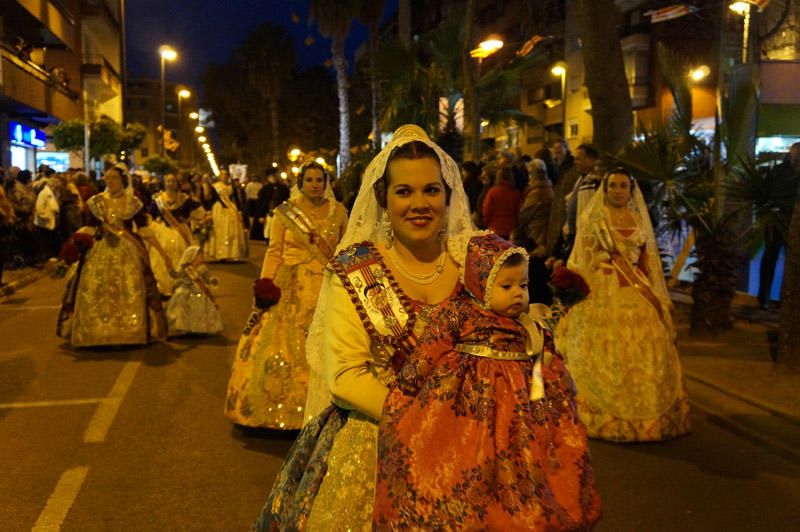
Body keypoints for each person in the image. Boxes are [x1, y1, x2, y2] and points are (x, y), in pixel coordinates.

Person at [252, 125, 475, 531]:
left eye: (431, 190)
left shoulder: (475, 266)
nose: (419, 203)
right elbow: (346, 376)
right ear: (383, 200)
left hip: (470, 443)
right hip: (379, 443)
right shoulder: (355, 269)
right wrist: (428, 423)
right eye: (404, 192)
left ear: (449, 195)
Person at [374, 232, 602, 529]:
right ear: (479, 283)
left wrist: (548, 375)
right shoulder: (460, 313)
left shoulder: (529, 323)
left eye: (522, 285)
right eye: (506, 286)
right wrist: (406, 388)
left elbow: (545, 355)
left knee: (521, 468)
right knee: (467, 466)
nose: (518, 294)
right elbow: (430, 349)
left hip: (521, 415)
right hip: (467, 412)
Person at [556, 168, 691, 441]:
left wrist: (660, 297)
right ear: (605, 189)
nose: (618, 190)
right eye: (613, 186)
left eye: (623, 186)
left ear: (631, 189)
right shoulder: (594, 217)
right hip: (603, 288)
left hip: (636, 289)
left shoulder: (639, 218)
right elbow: (581, 257)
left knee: (644, 346)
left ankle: (647, 413)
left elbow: (647, 259)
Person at [225, 161, 348, 430]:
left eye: (319, 180)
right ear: (300, 183)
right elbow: (274, 251)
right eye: (310, 180)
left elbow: (344, 247)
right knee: (281, 343)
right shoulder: (285, 213)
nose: (315, 184)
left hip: (327, 287)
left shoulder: (339, 212)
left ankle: (324, 406)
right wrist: (266, 282)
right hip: (290, 285)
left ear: (326, 183)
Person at [57, 165, 167, 347]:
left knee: (129, 288)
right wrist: (75, 244)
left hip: (127, 251)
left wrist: (162, 253)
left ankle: (128, 332)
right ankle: (97, 332)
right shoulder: (96, 202)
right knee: (95, 289)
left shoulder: (133, 202)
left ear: (122, 180)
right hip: (100, 249)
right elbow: (90, 228)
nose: (110, 181)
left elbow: (144, 229)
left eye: (114, 178)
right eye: (107, 178)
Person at [147, 174, 206, 295]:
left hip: (180, 233)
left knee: (180, 257)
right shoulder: (158, 199)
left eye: (173, 180)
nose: (170, 183)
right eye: (168, 180)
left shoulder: (184, 198)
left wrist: (187, 219)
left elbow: (200, 213)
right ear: (164, 183)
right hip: (162, 231)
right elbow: (149, 214)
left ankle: (179, 286)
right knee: (160, 258)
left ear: (177, 183)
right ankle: (162, 287)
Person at [758, 142, 800, 308]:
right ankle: (768, 299)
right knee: (774, 260)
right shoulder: (783, 172)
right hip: (781, 221)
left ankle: (766, 299)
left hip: (781, 220)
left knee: (772, 260)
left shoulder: (779, 171)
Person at [546, 144, 599, 261]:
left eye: (579, 159)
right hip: (571, 233)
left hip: (580, 235)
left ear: (591, 160)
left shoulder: (593, 182)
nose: (575, 162)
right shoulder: (581, 179)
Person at [516, 162, 555, 304]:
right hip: (543, 237)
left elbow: (524, 215)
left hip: (535, 238)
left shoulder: (537, 192)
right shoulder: (549, 189)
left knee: (534, 276)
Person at [165, 245, 223, 336]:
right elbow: (176, 276)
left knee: (201, 309)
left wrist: (212, 280)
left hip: (199, 291)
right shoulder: (186, 269)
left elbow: (208, 277)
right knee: (183, 308)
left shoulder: (203, 268)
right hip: (186, 291)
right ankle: (184, 327)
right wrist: (170, 268)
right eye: (199, 255)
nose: (202, 257)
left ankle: (199, 328)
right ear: (192, 257)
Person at [204, 169, 248, 261]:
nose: (224, 176)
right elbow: (211, 200)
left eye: (225, 174)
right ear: (219, 176)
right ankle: (220, 254)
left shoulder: (232, 187)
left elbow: (236, 199)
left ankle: (230, 253)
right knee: (219, 230)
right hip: (218, 210)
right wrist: (208, 212)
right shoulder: (215, 187)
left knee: (231, 230)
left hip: (230, 210)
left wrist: (239, 211)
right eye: (222, 174)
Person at [482, 164, 522, 239]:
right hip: (511, 228)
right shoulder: (516, 192)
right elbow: (519, 211)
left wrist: (487, 223)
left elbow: (486, 210)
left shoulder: (493, 191)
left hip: (495, 228)